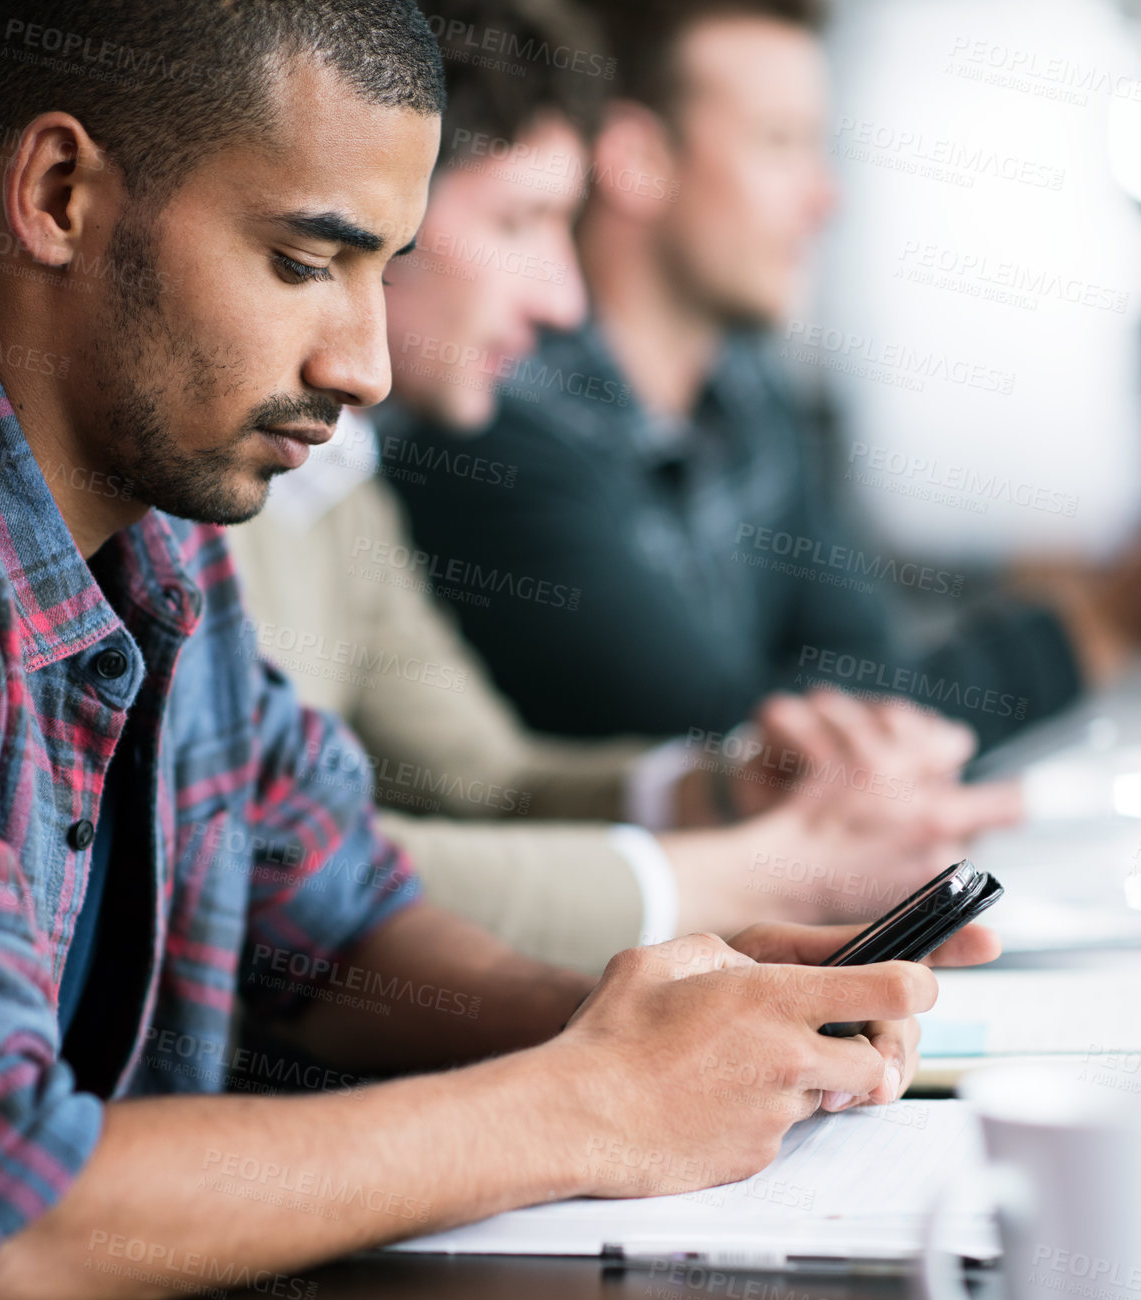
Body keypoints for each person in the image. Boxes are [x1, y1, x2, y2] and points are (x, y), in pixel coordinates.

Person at [0, 0, 995, 1300]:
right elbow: (14, 1199)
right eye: (302, 262)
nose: (367, 365)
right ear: (59, 195)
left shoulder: (171, 549)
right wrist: (587, 1100)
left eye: (385, 270)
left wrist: (657, 1020)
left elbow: (337, 922)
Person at [229, 0, 1019, 973]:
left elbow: (484, 779)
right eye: (521, 220)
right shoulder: (255, 467)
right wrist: (766, 874)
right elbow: (280, 881)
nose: (563, 298)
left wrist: (720, 788)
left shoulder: (344, 477)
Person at [389, 0, 1140, 761]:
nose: (824, 199)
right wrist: (1100, 624)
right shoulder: (493, 415)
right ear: (639, 159)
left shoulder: (746, 392)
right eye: (780, 144)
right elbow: (731, 745)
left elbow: (864, 683)